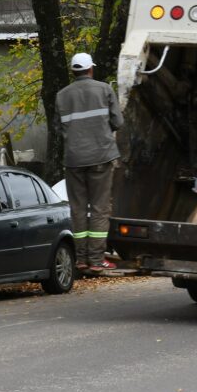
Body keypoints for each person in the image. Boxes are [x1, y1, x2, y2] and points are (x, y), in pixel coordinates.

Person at [55, 52, 124, 274]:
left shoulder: (61, 95)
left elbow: (58, 129)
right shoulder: (104, 89)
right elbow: (118, 122)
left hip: (73, 160)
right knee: (99, 209)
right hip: (101, 157)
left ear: (73, 71)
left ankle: (81, 260)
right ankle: (96, 260)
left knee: (77, 209)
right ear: (90, 69)